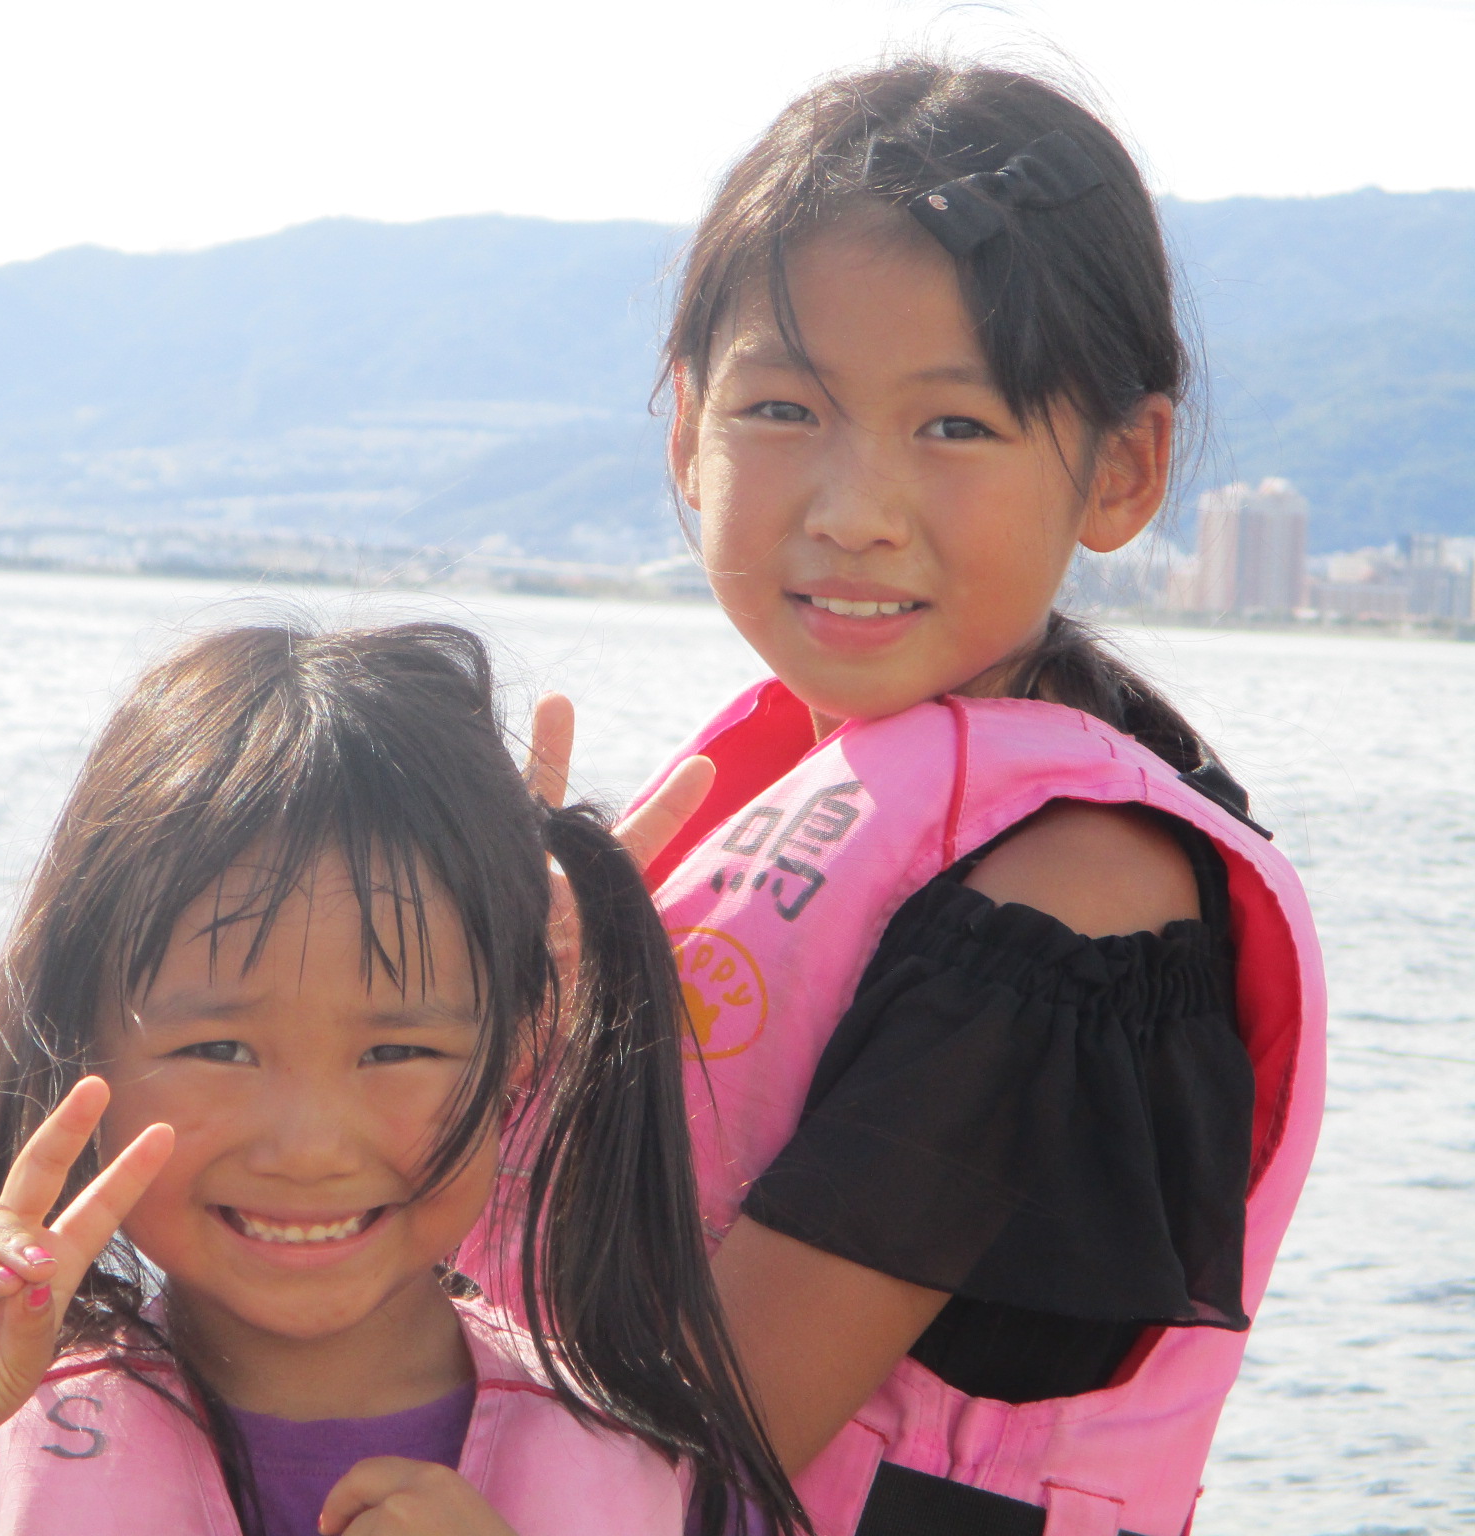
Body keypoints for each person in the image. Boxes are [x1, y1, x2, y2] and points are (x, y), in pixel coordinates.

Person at [528, 60, 1325, 1536]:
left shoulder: (1076, 902)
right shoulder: (784, 794)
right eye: (781, 409)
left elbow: (691, 1440)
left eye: (953, 427)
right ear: (686, 429)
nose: (853, 511)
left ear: (1124, 469)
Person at [0, 621, 802, 1536]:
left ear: (517, 1053)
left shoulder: (660, 1467)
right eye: (219, 1050)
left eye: (395, 1051)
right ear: (76, 1048)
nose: (306, 1143)